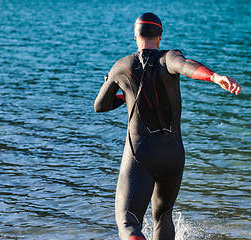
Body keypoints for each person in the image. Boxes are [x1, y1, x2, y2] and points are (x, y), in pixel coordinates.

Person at [94, 12, 241, 240]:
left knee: (128, 222)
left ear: (135, 36)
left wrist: (126, 96)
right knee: (163, 216)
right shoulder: (169, 57)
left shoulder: (122, 66)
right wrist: (215, 77)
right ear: (160, 36)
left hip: (140, 154)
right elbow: (185, 66)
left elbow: (100, 105)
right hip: (173, 154)